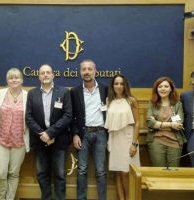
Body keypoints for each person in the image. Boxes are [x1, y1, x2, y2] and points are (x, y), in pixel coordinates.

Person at [25, 64, 72, 200]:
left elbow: (68, 115)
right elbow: (28, 117)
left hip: (59, 140)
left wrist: (50, 133)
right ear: (39, 76)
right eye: (42, 73)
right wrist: (43, 134)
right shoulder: (32, 93)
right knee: (41, 174)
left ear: (53, 75)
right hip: (40, 141)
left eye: (48, 72)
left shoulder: (63, 92)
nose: (45, 75)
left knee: (60, 174)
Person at [70, 59, 108, 200]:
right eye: (84, 69)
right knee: (82, 170)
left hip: (101, 134)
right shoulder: (74, 91)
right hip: (83, 134)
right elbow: (71, 115)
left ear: (95, 71)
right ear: (80, 72)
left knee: (101, 171)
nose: (86, 72)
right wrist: (75, 134)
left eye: (89, 69)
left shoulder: (105, 89)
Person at [0, 68, 30, 200]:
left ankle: (10, 198)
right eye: (11, 78)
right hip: (1, 139)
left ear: (21, 80)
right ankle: (0, 198)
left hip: (19, 140)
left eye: (17, 77)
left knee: (14, 173)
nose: (14, 80)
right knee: (1, 173)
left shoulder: (28, 95)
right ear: (7, 80)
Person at [104, 74, 140, 200]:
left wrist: (134, 144)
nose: (119, 86)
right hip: (114, 138)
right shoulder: (109, 101)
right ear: (112, 86)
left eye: (121, 83)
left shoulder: (131, 100)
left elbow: (137, 123)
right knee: (117, 172)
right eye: (116, 83)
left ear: (125, 85)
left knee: (126, 172)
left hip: (128, 138)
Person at [146, 77, 186, 167]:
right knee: (159, 172)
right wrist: (171, 124)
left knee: (173, 172)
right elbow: (150, 122)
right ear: (156, 89)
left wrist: (158, 123)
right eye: (160, 86)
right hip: (156, 140)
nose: (163, 89)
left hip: (175, 141)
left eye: (166, 86)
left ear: (171, 89)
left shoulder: (177, 104)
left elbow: (179, 123)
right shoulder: (152, 104)